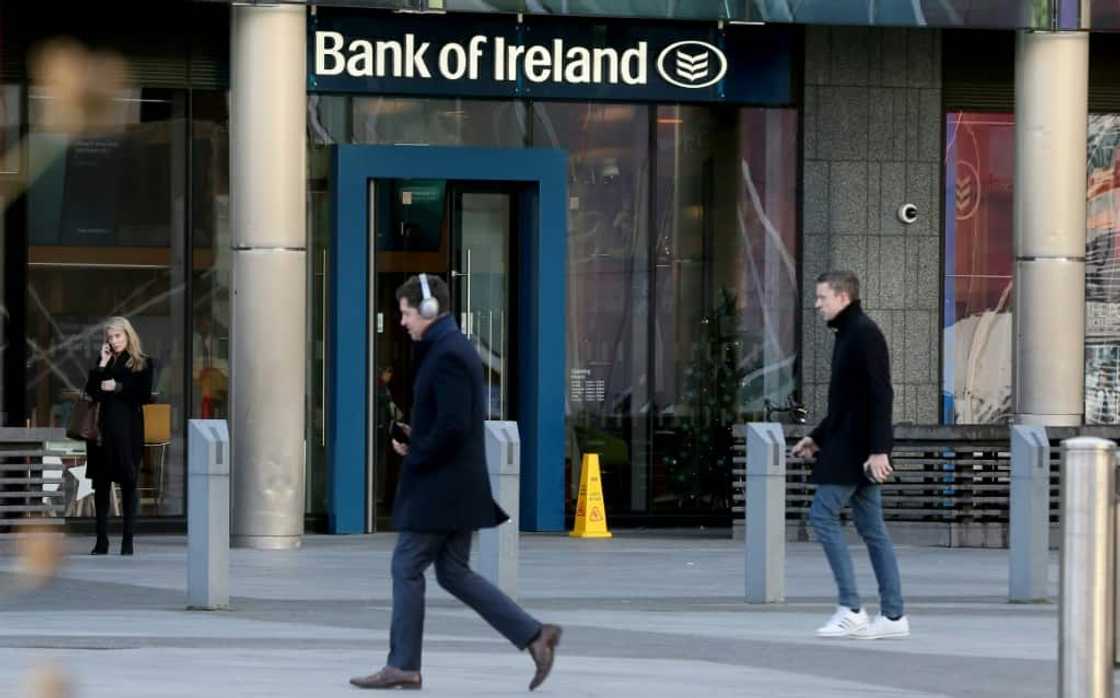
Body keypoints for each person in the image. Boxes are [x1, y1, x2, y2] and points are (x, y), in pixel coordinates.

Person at [350, 274, 561, 691]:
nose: (404, 322)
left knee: (406, 566)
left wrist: (416, 450)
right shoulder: (448, 349)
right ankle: (536, 636)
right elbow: (450, 422)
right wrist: (419, 434)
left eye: (407, 313)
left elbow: (452, 427)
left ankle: (403, 665)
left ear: (429, 310)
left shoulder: (447, 354)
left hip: (440, 489)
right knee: (452, 572)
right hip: (455, 486)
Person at [791, 271, 909, 640]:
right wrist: (816, 437)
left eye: (822, 297)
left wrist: (879, 450)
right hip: (850, 447)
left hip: (854, 452)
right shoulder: (849, 333)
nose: (817, 304)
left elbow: (880, 395)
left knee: (821, 516)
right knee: (873, 531)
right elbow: (846, 403)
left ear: (842, 297)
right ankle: (892, 617)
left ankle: (851, 608)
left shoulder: (863, 334)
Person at [85, 316, 154, 556]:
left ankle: (128, 541)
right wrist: (102, 364)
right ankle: (101, 541)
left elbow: (145, 395)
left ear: (128, 335)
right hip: (102, 434)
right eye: (110, 337)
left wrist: (118, 387)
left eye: (118, 336)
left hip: (127, 432)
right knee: (101, 488)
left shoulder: (142, 363)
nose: (114, 341)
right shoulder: (103, 361)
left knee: (128, 484)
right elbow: (90, 392)